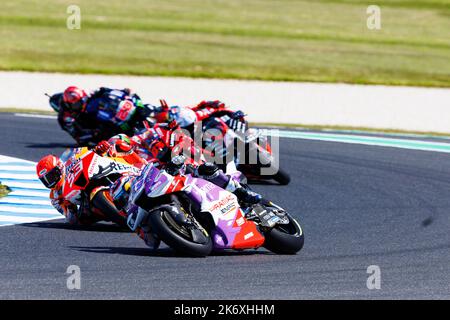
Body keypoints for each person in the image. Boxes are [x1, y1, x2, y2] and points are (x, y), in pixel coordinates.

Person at [49, 86, 152, 145]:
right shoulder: (69, 117)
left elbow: (108, 92)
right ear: (70, 105)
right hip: (103, 133)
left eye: (81, 99)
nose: (82, 102)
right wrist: (95, 133)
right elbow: (80, 136)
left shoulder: (94, 94)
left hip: (123, 111)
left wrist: (126, 93)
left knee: (148, 108)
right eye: (77, 103)